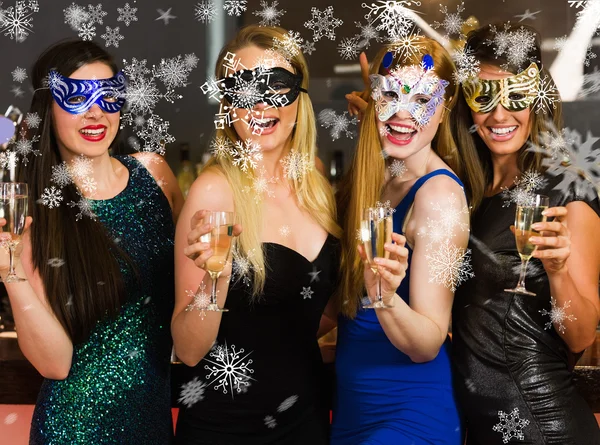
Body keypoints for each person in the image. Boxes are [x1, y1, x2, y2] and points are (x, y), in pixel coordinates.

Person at [2, 40, 183, 444]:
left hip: (153, 424)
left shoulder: (155, 176)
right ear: (48, 105)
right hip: (73, 429)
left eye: (109, 94)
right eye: (77, 97)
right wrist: (10, 272)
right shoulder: (35, 212)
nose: (96, 111)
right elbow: (55, 363)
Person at [171, 25, 342, 445]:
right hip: (227, 428)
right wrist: (217, 279)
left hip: (306, 420)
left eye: (276, 86)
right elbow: (189, 349)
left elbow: (315, 308)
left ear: (299, 99)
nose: (260, 103)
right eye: (242, 88)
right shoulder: (214, 191)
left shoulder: (316, 186)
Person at [451, 23, 600, 444]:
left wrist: (558, 271)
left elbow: (582, 334)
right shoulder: (466, 192)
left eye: (515, 95)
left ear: (537, 98)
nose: (500, 115)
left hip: (542, 426)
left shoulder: (568, 191)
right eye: (484, 96)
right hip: (480, 426)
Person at [332, 37, 483, 445]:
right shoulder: (378, 176)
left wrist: (383, 296)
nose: (402, 112)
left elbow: (428, 343)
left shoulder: (440, 197)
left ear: (444, 109)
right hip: (354, 410)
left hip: (408, 417)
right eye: (390, 95)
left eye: (422, 99)